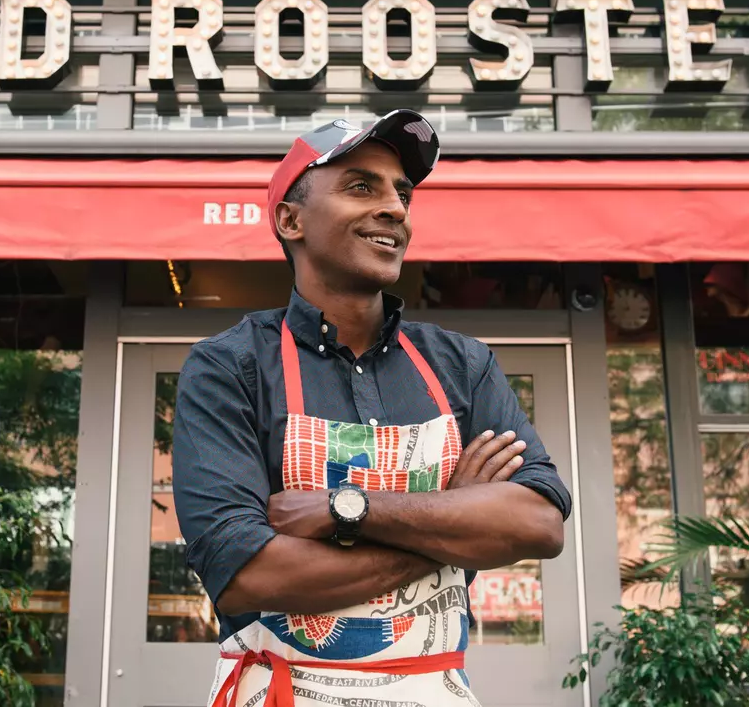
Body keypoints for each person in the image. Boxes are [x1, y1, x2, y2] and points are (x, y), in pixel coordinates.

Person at [171, 109, 573, 707]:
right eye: (362, 185)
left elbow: (538, 523)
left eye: (402, 192)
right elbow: (248, 575)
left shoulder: (461, 365)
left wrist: (347, 509)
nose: (395, 208)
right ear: (291, 219)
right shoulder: (231, 368)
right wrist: (452, 519)